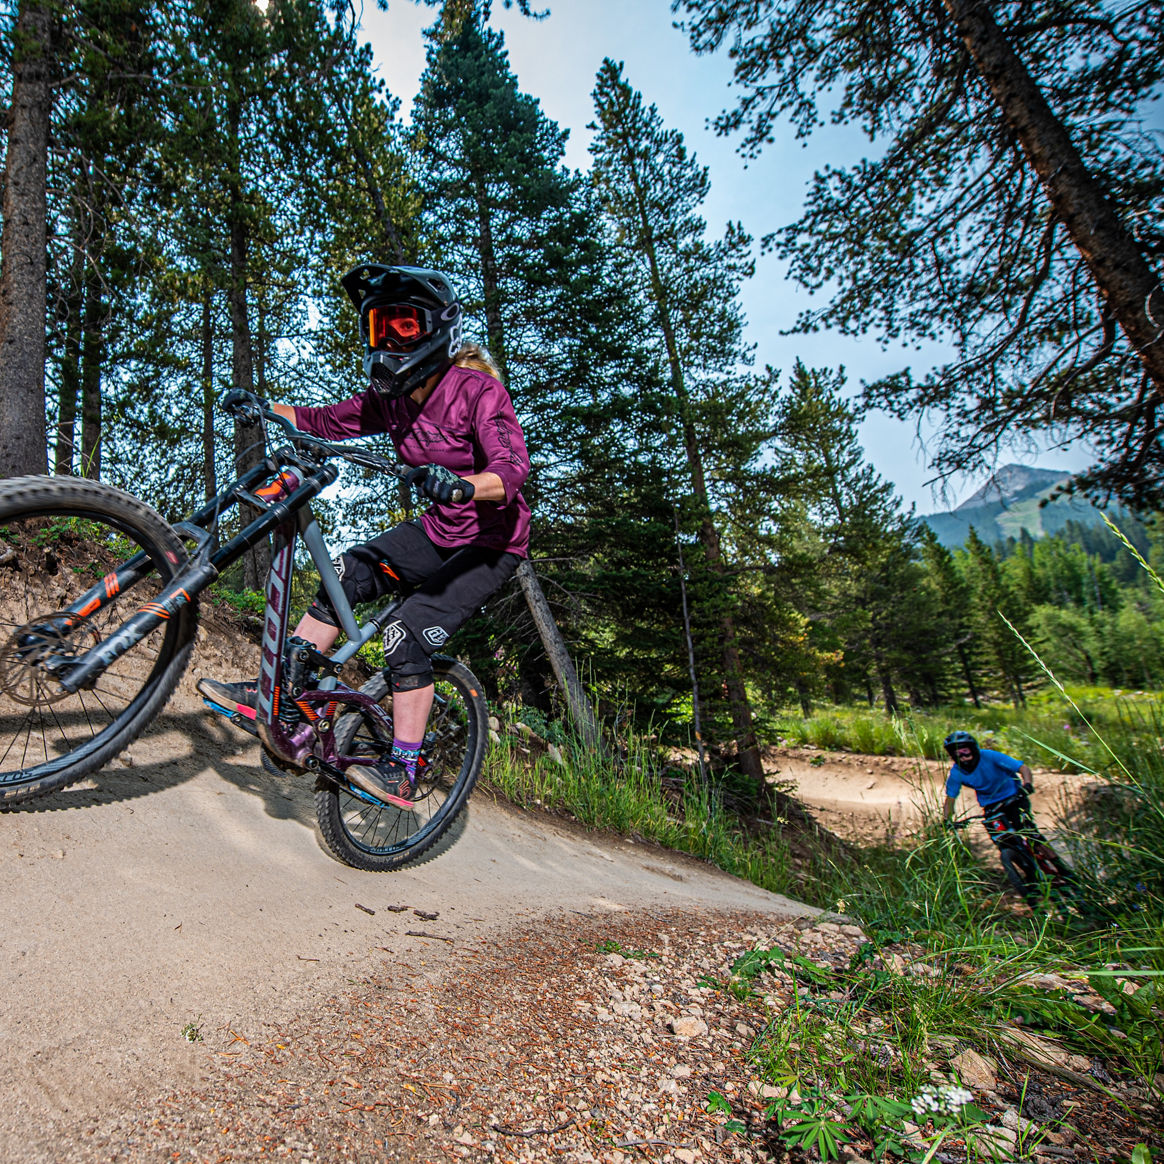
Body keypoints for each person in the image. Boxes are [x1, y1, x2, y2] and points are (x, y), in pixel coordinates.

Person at [199, 263, 530, 807]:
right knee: (349, 576)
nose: (387, 341)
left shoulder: (476, 391)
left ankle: (405, 768)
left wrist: (462, 486)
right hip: (441, 531)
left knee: (405, 632)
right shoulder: (391, 399)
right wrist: (263, 408)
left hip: (491, 544)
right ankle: (282, 699)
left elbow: (511, 470)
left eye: (401, 327)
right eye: (378, 328)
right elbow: (325, 421)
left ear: (435, 330)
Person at [941, 729, 1038, 847]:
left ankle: (1055, 861)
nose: (963, 757)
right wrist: (947, 820)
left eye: (965, 751)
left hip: (1014, 797)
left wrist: (1027, 784)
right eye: (957, 754)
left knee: (1030, 833)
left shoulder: (990, 756)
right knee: (1001, 840)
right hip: (991, 806)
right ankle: (1014, 857)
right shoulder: (956, 773)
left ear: (973, 749)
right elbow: (950, 799)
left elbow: (1023, 768)